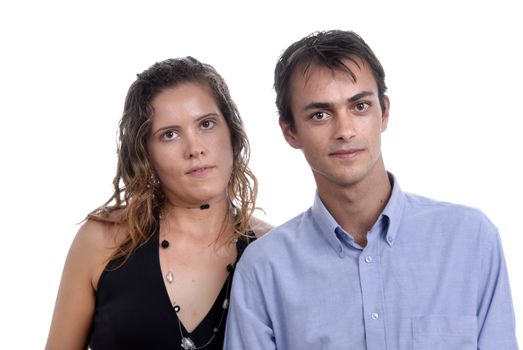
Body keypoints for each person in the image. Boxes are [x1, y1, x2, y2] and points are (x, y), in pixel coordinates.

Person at [224, 30, 518, 349]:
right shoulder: (264, 270)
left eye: (360, 106)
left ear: (385, 112)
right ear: (290, 131)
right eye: (320, 114)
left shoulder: (470, 239)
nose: (345, 130)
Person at [45, 56, 271, 350]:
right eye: (170, 134)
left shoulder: (271, 250)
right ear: (145, 153)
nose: (195, 149)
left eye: (206, 124)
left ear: (232, 133)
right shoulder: (102, 242)